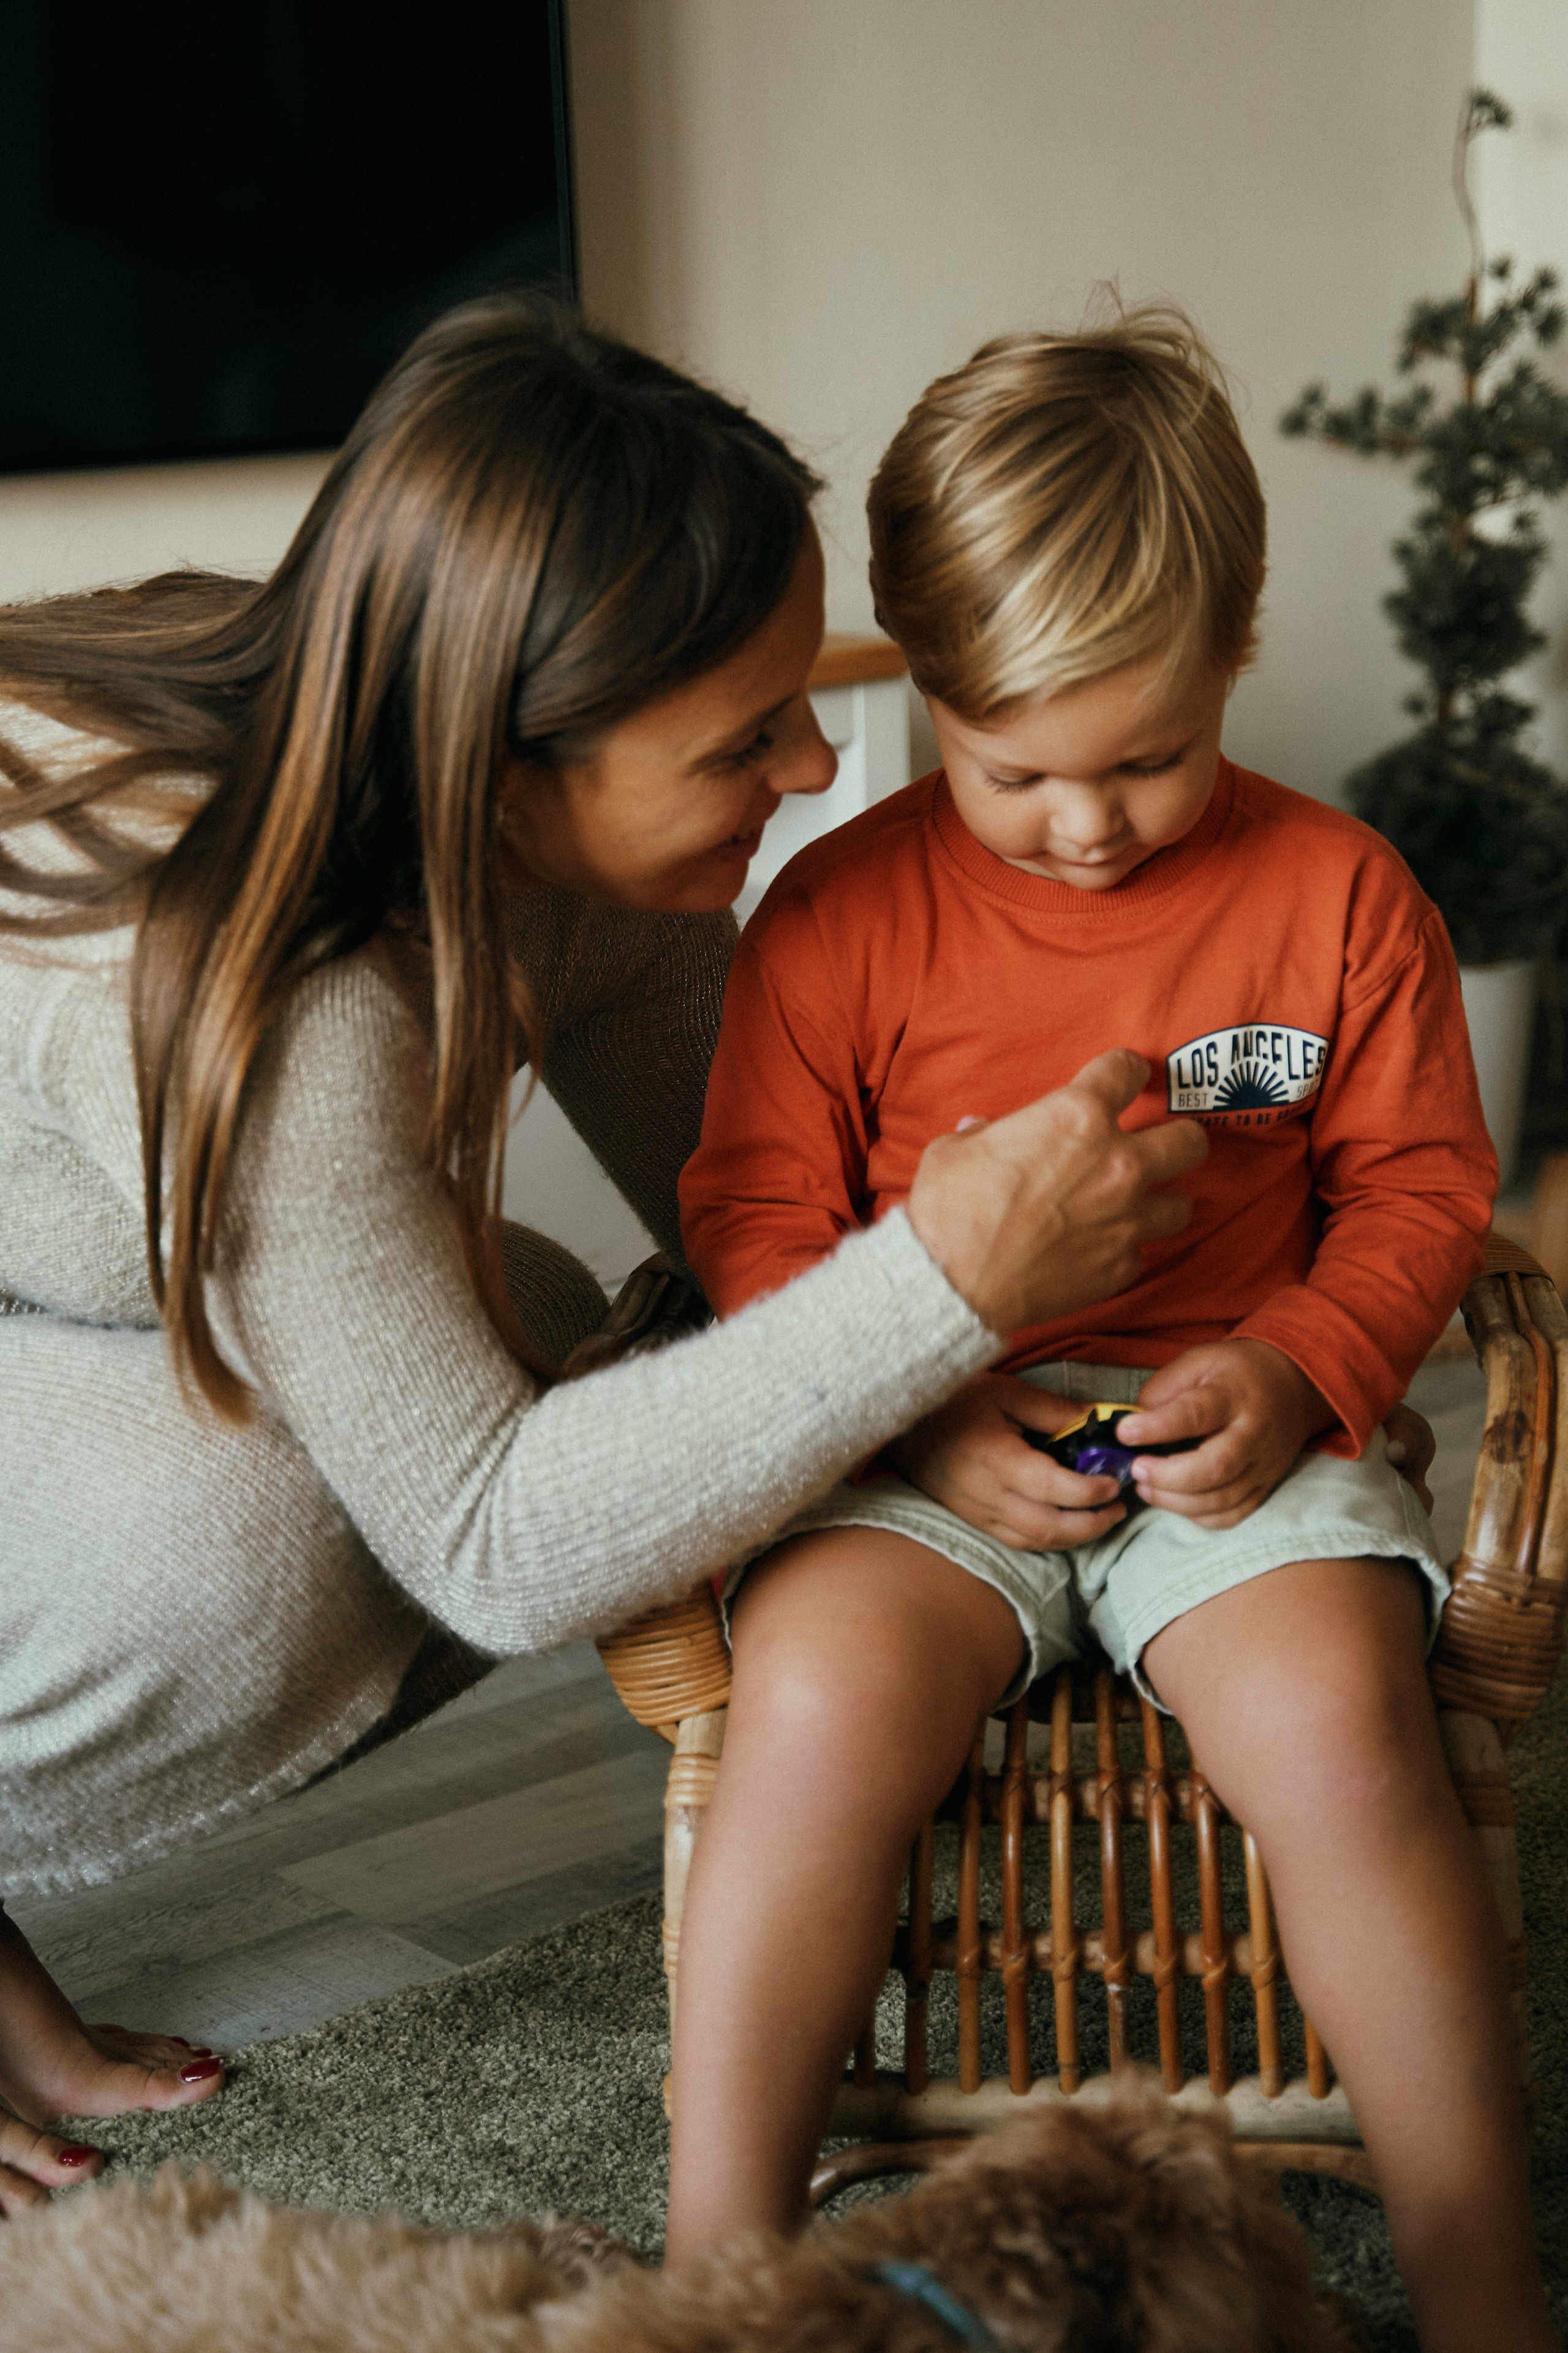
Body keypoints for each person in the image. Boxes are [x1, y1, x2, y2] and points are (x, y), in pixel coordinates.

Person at [0, 297, 1210, 2216]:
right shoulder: (286, 995)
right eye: (748, 736)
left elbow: (755, 1204)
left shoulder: (488, 777)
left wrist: (951, 1383)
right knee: (261, 1530)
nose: (816, 764)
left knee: (551, 1326)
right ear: (505, 767)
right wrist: (947, 1290)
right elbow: (495, 1540)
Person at [670, 312, 1553, 2353]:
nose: (1086, 826)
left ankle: (1489, 2286)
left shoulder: (1342, 894)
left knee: (1347, 1720)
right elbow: (759, 1218)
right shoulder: (832, 917)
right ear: (925, 690)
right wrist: (909, 1415)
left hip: (1238, 1427)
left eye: (1145, 758)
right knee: (811, 1706)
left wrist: (1306, 1366)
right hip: (920, 1445)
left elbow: (1423, 1189)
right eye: (1015, 771)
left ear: (1239, 641)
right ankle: (710, 2290)